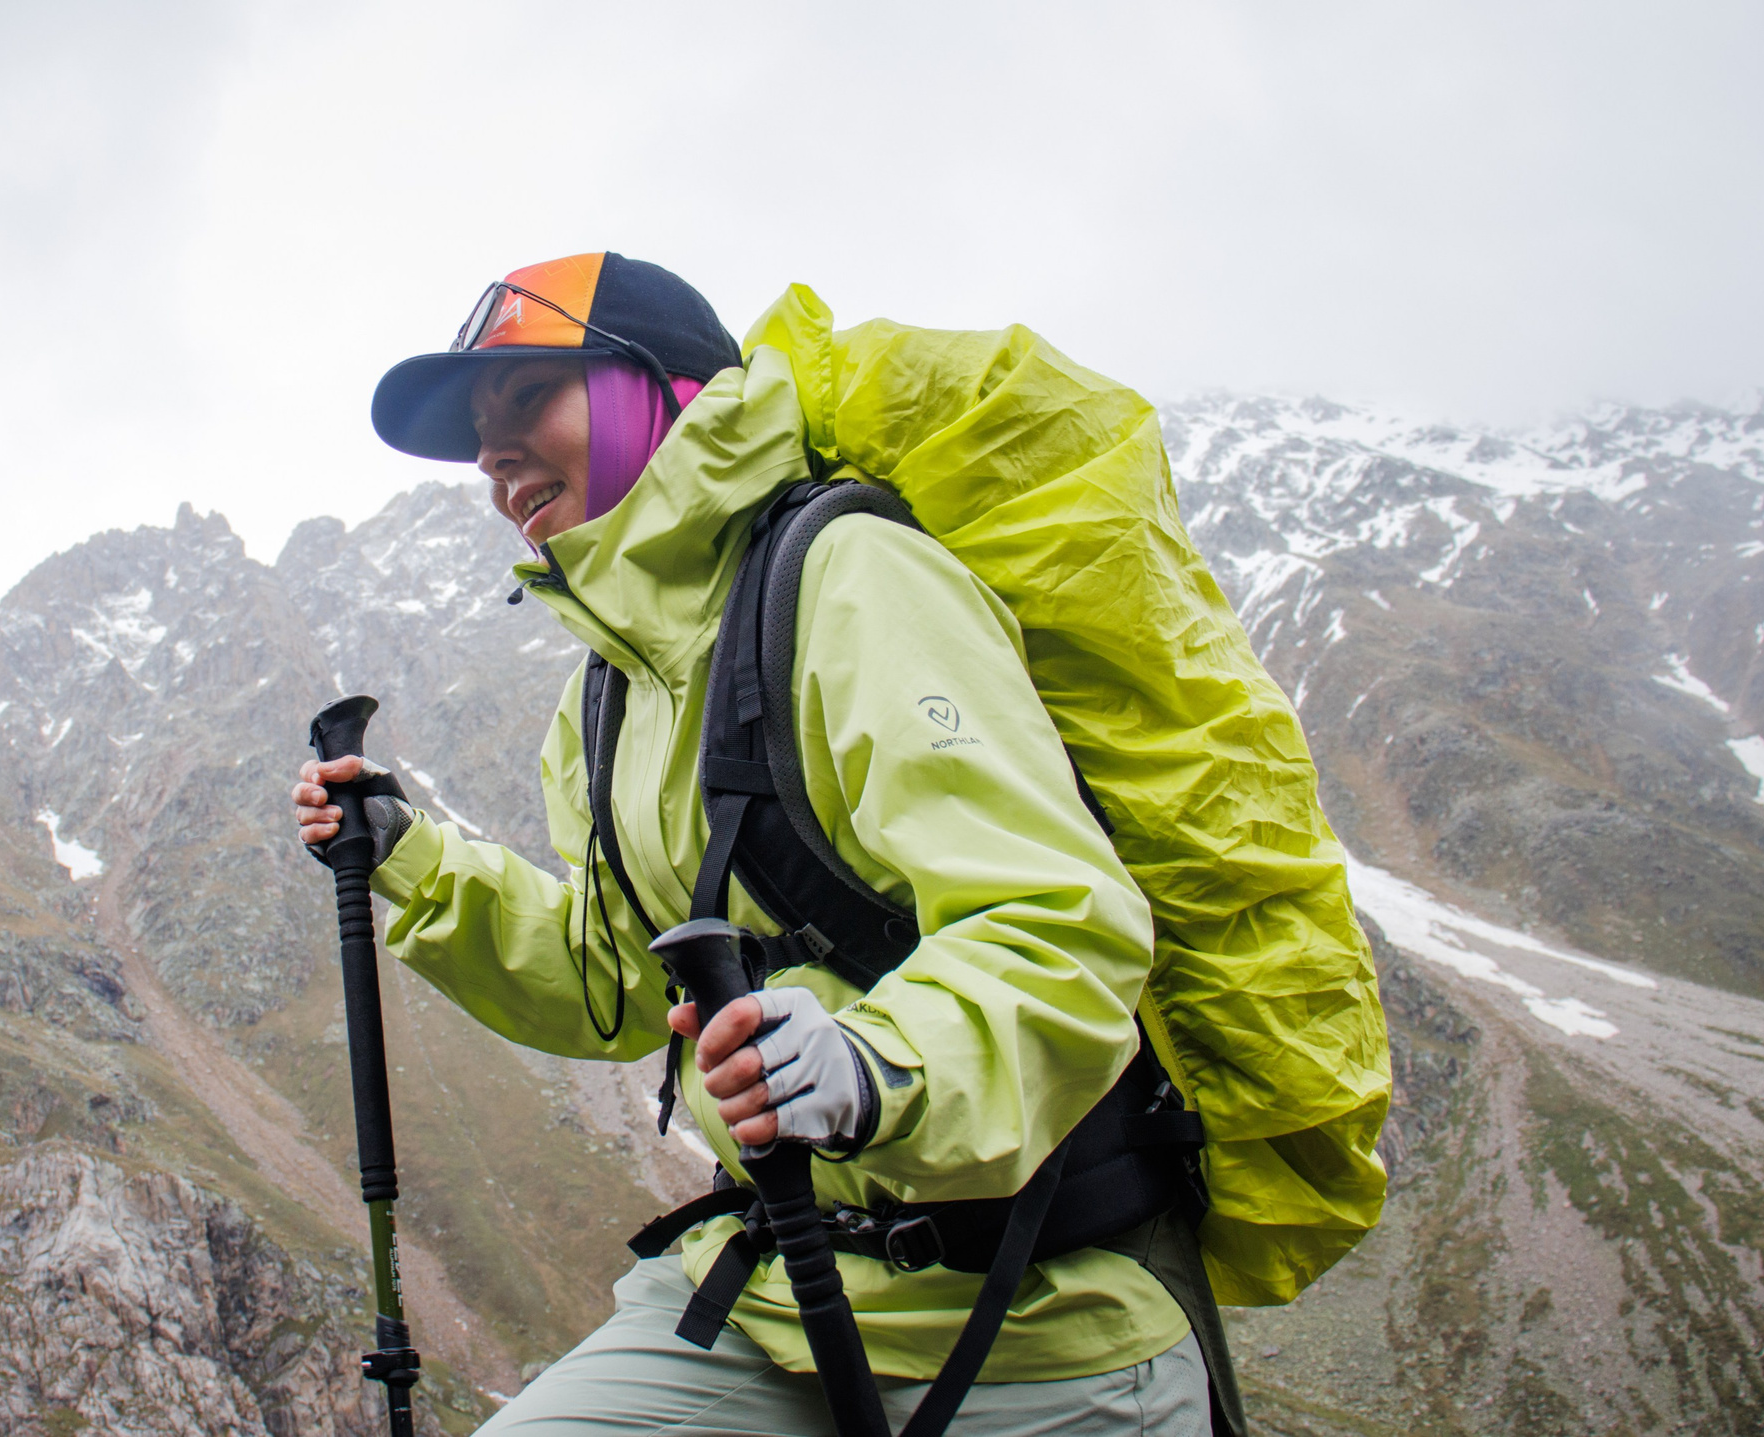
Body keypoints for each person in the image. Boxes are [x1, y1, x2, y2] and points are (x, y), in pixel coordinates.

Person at [292, 253, 1214, 1435]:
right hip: (774, 1294)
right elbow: (613, 988)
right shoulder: (605, 698)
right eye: (479, 433)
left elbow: (1059, 928)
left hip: (1040, 1326)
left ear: (663, 390)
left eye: (526, 401)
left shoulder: (851, 578)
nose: (491, 460)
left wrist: (875, 1064)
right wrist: (409, 856)